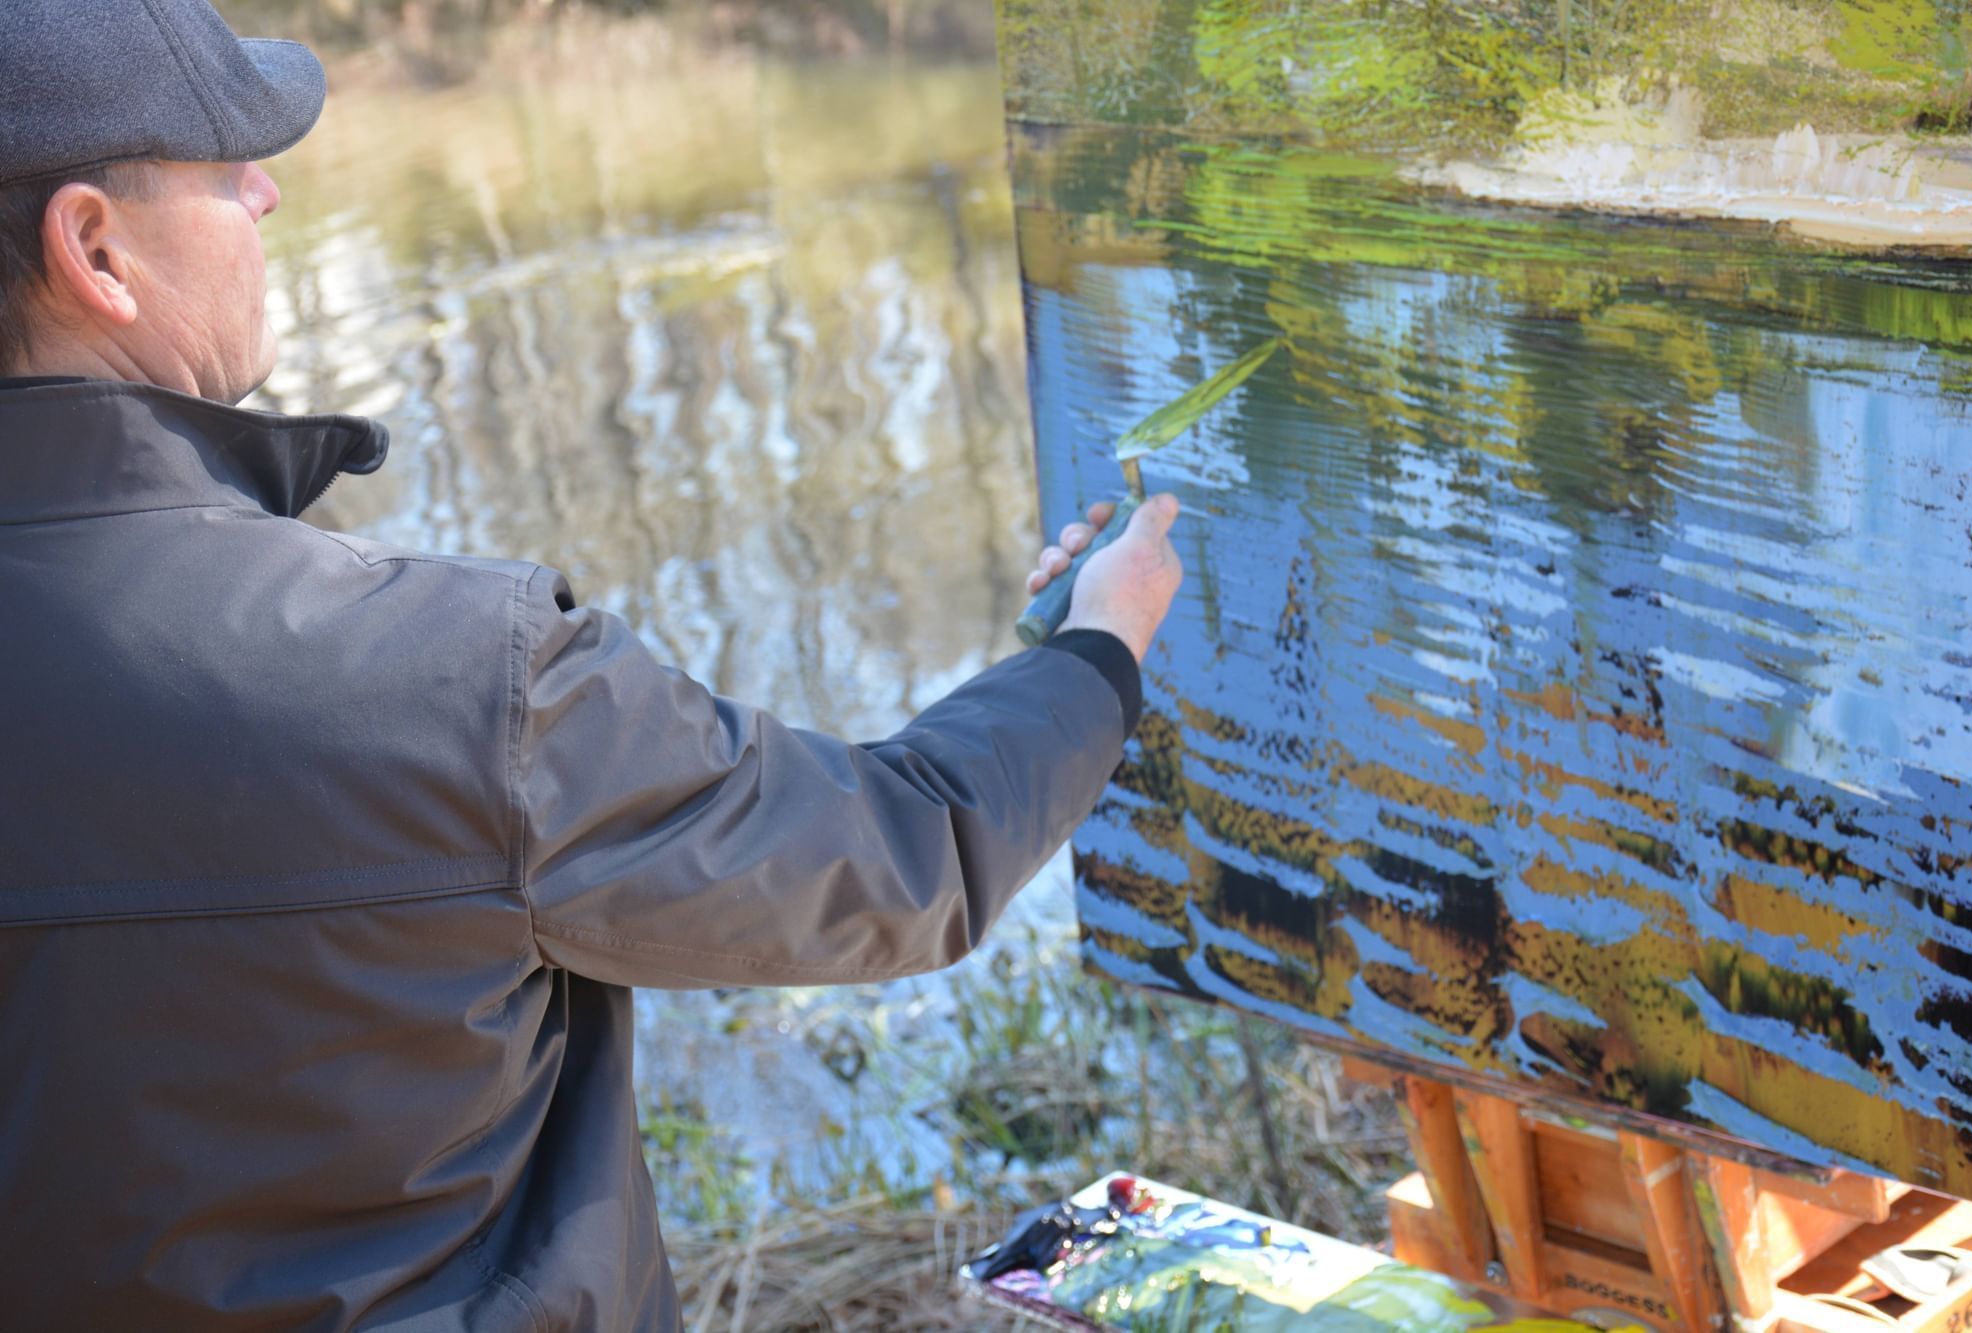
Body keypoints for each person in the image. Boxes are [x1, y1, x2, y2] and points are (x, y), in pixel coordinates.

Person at [0, 2, 1182, 1328]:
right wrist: (1097, 650)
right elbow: (902, 855)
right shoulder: (446, 680)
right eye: (228, 173)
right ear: (96, 247)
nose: (268, 196)